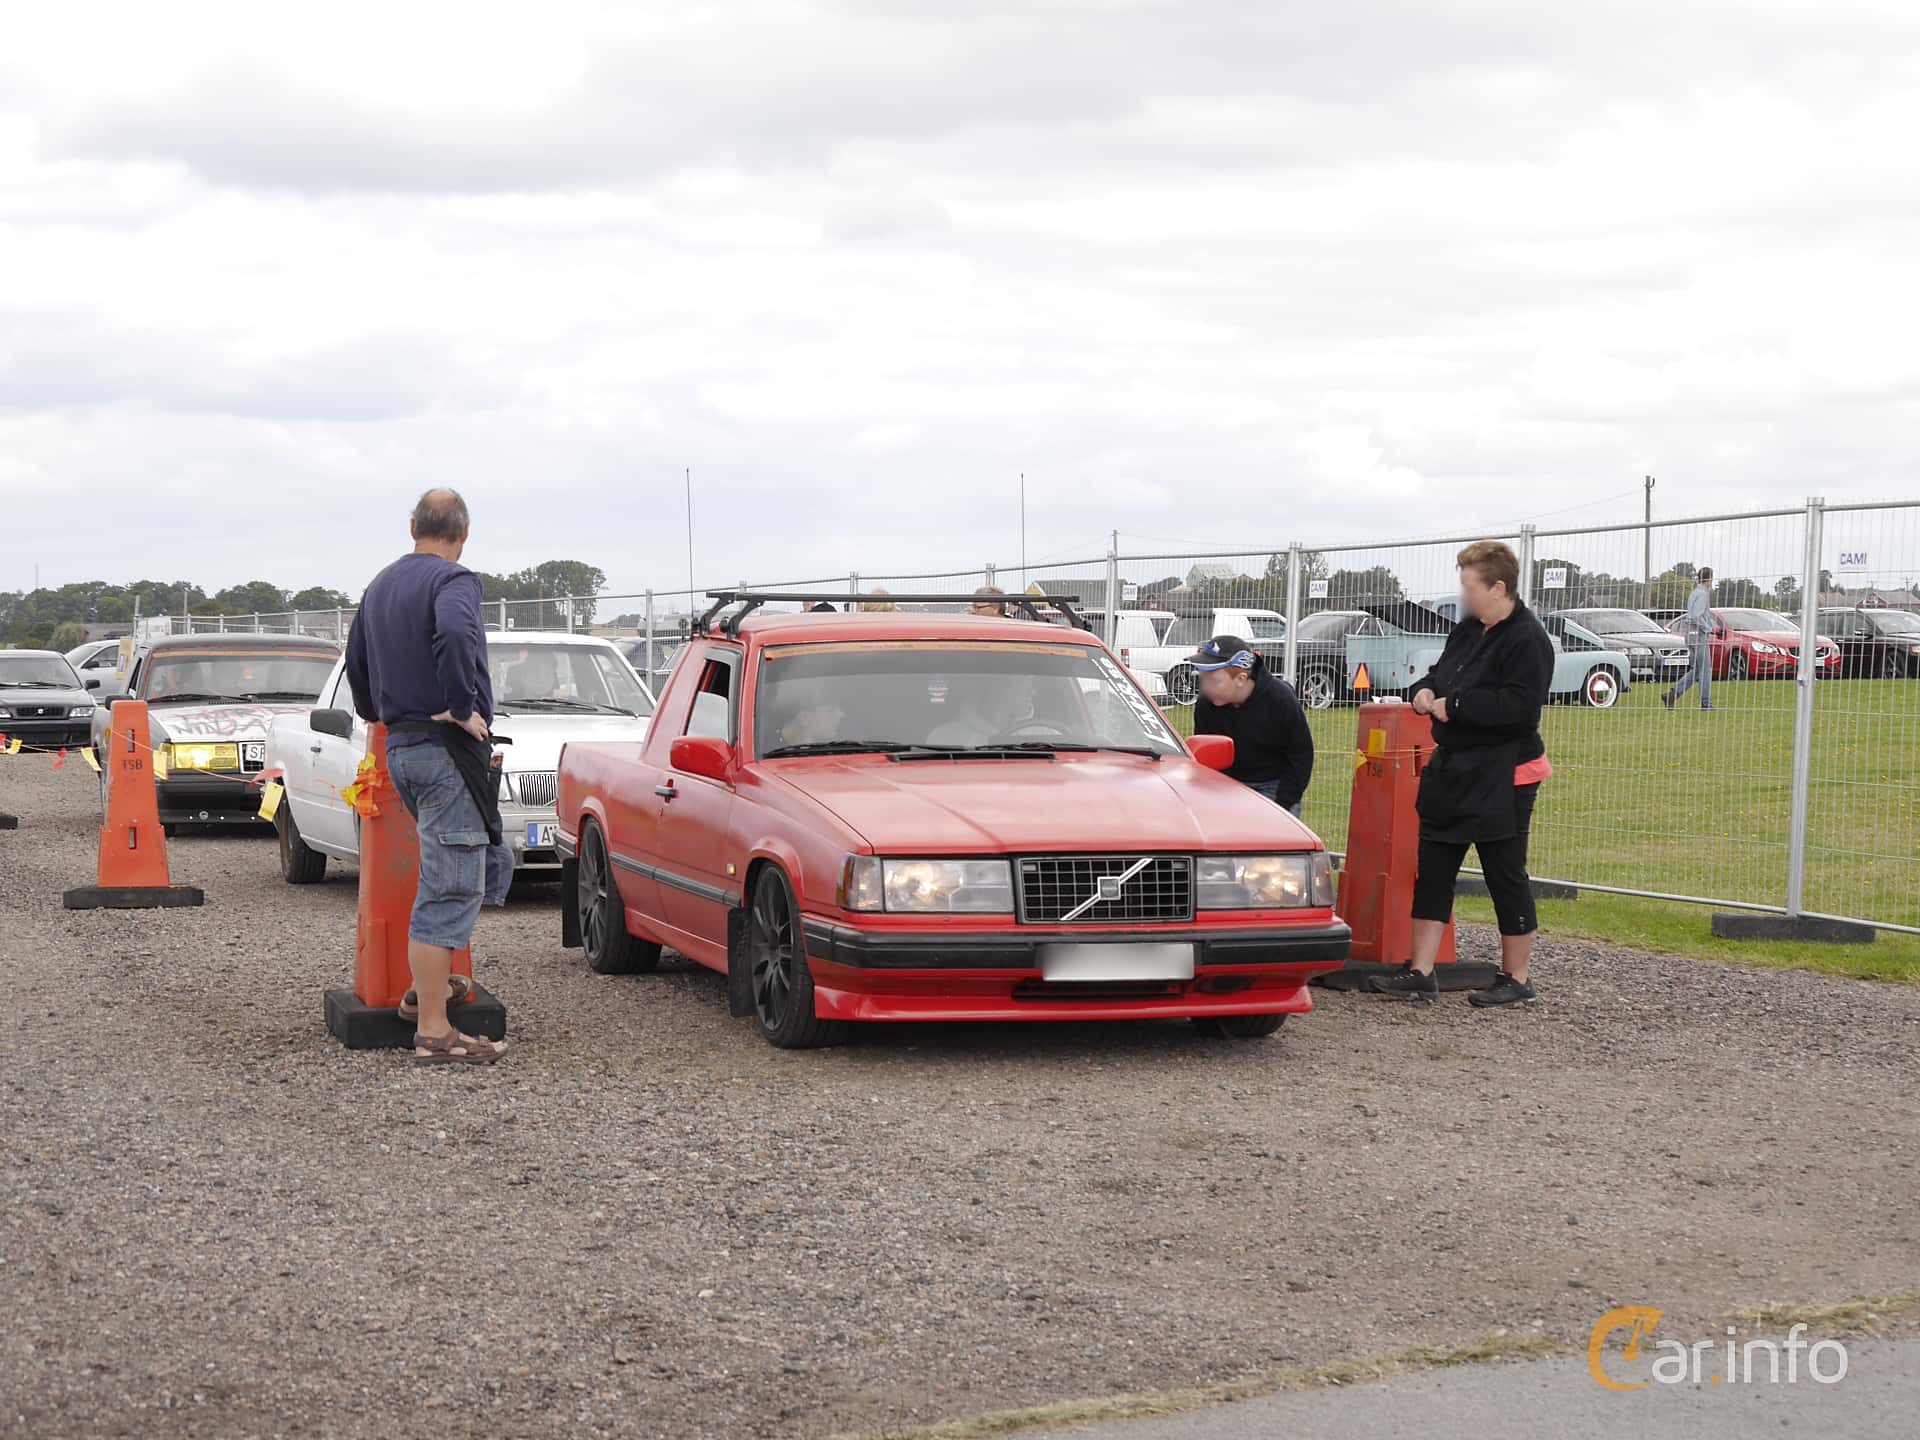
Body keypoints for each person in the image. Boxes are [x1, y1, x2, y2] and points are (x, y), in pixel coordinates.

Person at [345, 488, 511, 1063]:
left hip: (403, 749)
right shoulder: (454, 581)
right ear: (463, 534)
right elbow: (457, 634)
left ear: (412, 526)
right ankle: (434, 1029)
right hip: (444, 750)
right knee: (450, 886)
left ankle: (427, 991)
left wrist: (376, 710)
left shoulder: (379, 587)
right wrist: (463, 705)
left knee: (444, 869)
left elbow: (356, 662)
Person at [1370, 541, 1553, 1008]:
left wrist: (1458, 707)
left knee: (1504, 873)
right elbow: (1441, 674)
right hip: (1452, 767)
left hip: (1505, 773)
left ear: (1498, 586)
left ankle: (1517, 976)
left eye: (1469, 586)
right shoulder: (1468, 629)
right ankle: (1420, 972)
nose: (1463, 595)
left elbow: (1520, 708)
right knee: (1433, 868)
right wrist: (1424, 690)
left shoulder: (1528, 640)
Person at [1186, 636, 1313, 816]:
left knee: (1273, 841)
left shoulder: (1280, 699)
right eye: (1202, 679)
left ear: (1241, 678)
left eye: (1213, 680)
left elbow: (1301, 754)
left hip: (1274, 785)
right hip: (1226, 785)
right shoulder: (1206, 706)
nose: (1205, 687)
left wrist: (1283, 803)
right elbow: (1207, 757)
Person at [1664, 567, 1716, 710]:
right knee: (1706, 669)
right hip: (1699, 635)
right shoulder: (1703, 594)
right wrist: (1708, 628)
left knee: (1697, 669)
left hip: (1690, 636)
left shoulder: (1694, 593)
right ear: (1709, 579)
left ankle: (1674, 694)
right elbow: (1695, 616)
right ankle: (1706, 703)